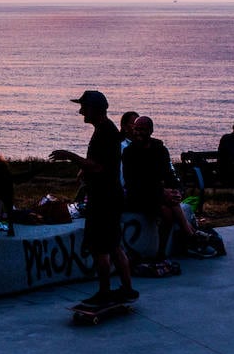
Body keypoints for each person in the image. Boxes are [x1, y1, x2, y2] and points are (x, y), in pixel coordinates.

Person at [50, 90, 136, 306]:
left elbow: (98, 166)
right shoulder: (105, 130)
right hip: (110, 196)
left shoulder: (105, 132)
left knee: (100, 248)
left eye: (84, 107)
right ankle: (127, 288)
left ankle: (105, 292)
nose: (80, 112)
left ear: (95, 109)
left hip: (104, 199)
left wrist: (69, 156)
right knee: (114, 245)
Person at [122, 116, 197, 261]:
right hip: (138, 195)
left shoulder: (159, 149)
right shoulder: (129, 153)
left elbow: (168, 174)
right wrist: (162, 191)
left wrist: (175, 190)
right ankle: (189, 235)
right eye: (136, 129)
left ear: (150, 131)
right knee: (167, 210)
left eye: (142, 129)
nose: (138, 133)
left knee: (170, 207)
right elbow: (133, 182)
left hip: (157, 194)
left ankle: (164, 250)